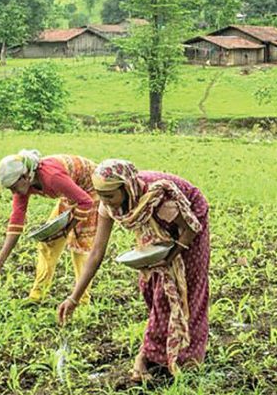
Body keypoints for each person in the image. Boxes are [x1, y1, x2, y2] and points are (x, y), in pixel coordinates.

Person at [57, 159, 210, 382]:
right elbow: (97, 253)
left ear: (126, 188)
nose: (105, 201)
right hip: (157, 224)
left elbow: (188, 229)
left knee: (186, 285)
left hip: (191, 220)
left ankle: (185, 360)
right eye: (101, 195)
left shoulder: (158, 198)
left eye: (109, 196)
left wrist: (171, 256)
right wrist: (74, 297)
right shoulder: (109, 204)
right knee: (150, 287)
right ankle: (156, 354)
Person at [0, 150, 99, 303]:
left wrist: (67, 229)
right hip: (70, 194)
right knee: (48, 243)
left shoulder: (52, 177)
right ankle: (37, 296)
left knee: (80, 247)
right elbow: (16, 223)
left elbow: (86, 202)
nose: (14, 192)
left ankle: (81, 301)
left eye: (13, 187)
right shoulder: (24, 185)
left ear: (25, 177)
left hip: (91, 190)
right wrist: (0, 261)